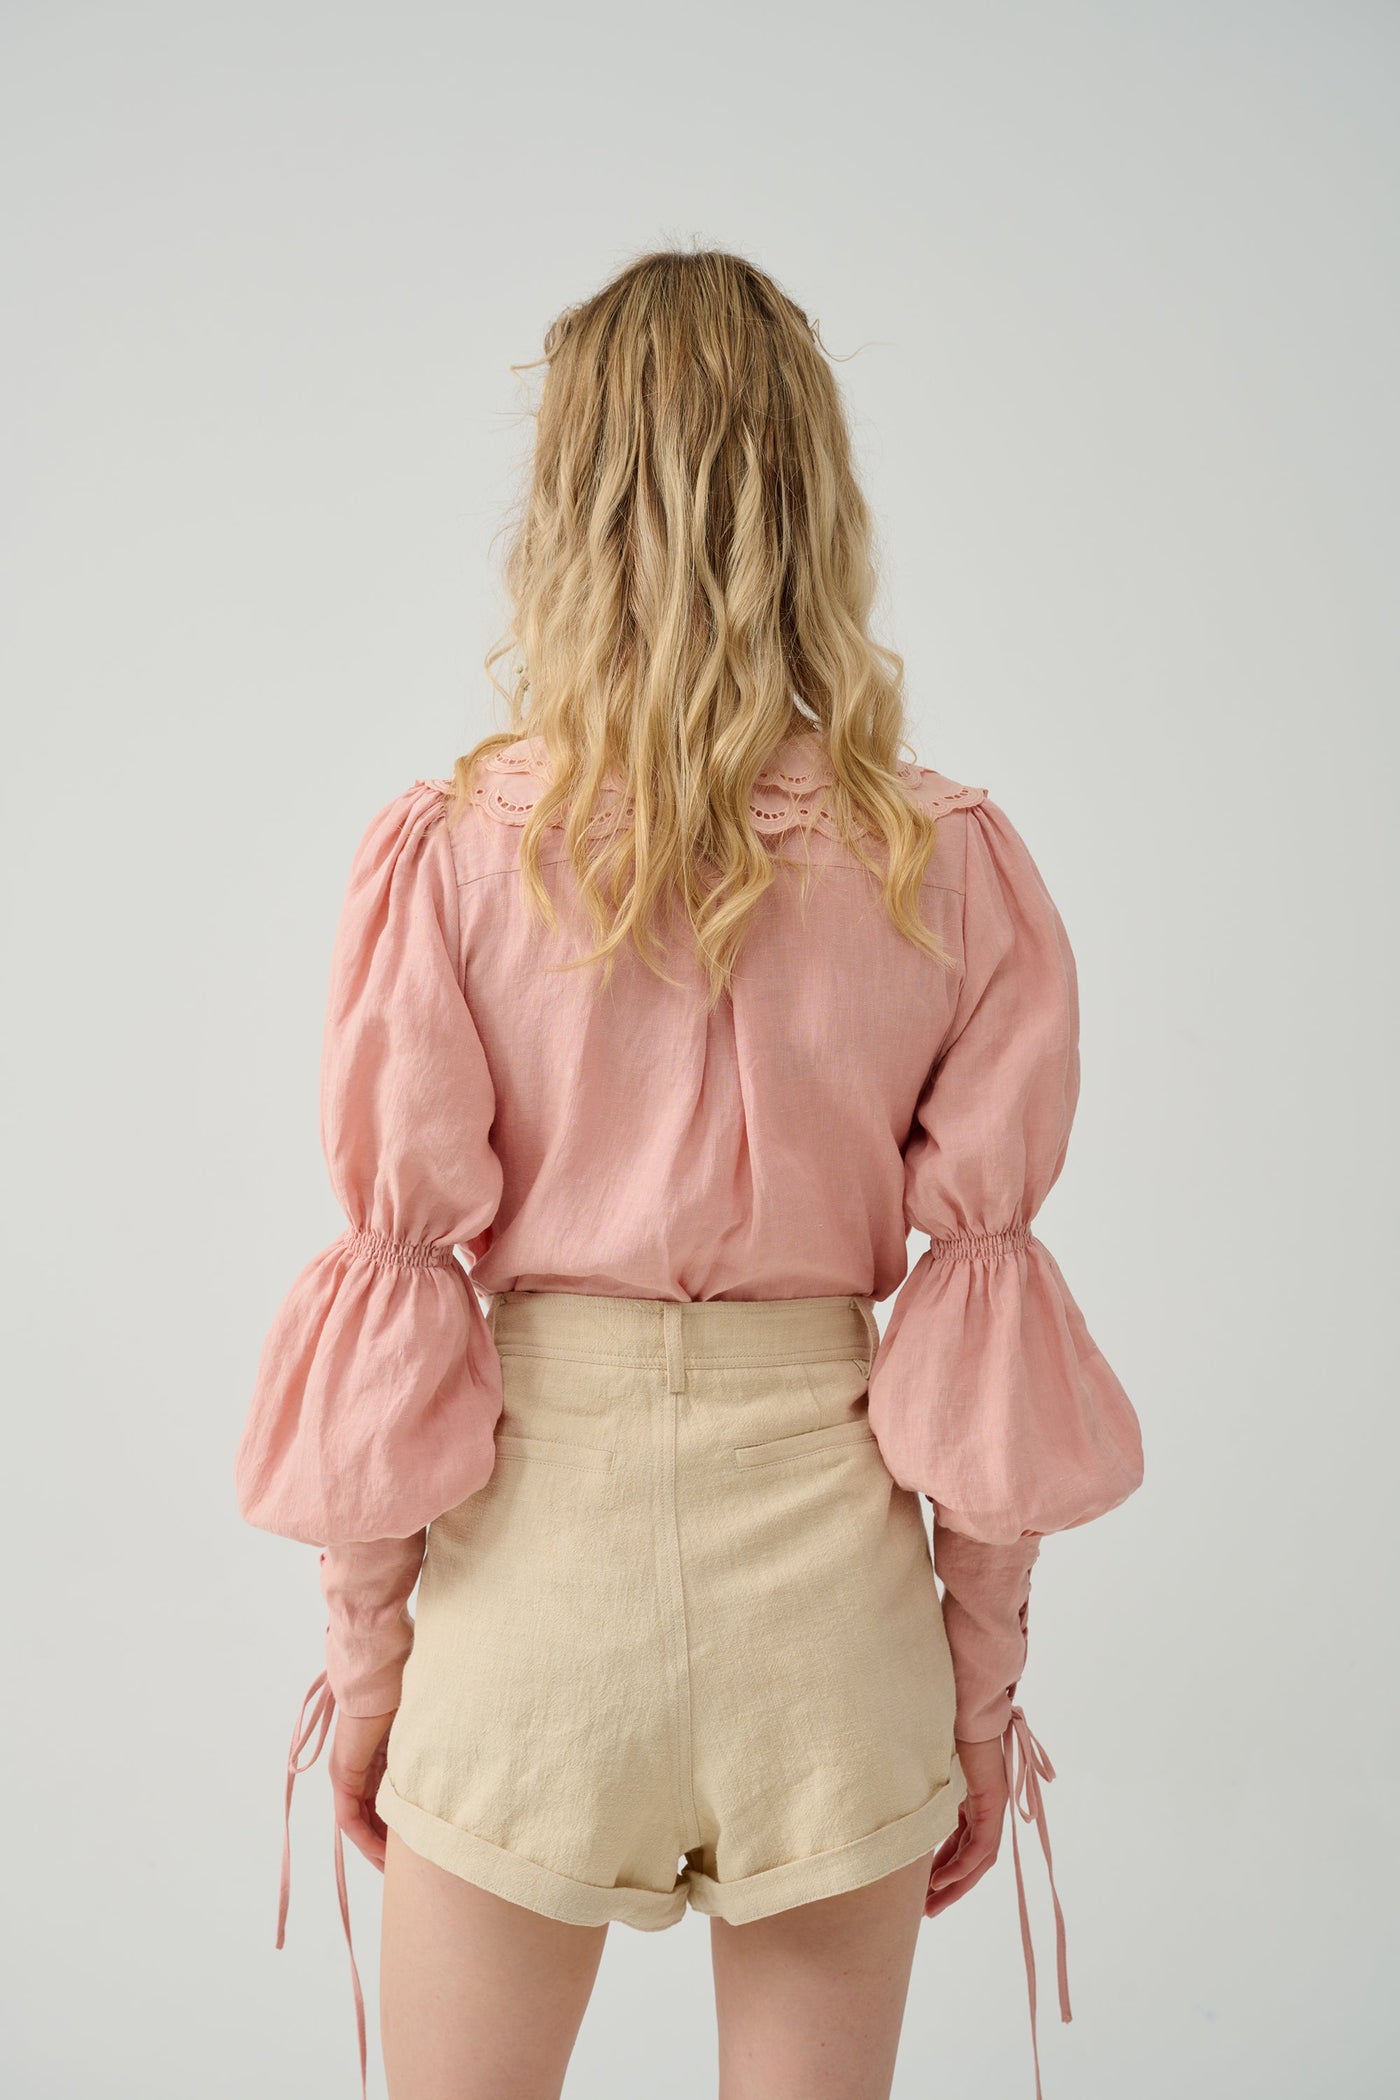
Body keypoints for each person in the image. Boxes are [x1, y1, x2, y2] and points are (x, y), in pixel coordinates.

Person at [234, 247, 1144, 2100]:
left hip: (532, 1593)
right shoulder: (949, 864)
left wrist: (374, 1672)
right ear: (815, 498)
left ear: (566, 501)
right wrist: (974, 1697)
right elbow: (978, 1341)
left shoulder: (448, 856)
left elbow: (399, 1290)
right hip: (830, 1608)